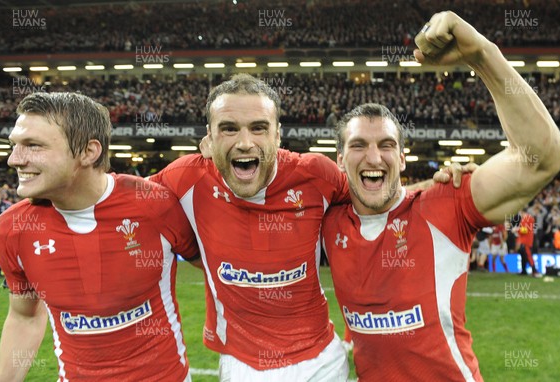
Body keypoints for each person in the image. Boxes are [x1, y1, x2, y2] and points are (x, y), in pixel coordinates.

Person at [151, 73, 471, 381]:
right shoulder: (185, 179)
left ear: (278, 135)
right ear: (208, 137)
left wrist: (441, 187)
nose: (245, 142)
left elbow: (377, 197)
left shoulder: (315, 175)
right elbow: (123, 205)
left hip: (319, 361)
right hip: (242, 363)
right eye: (229, 129)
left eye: (259, 128)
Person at [321, 11, 560, 381]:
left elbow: (544, 157)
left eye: (387, 145)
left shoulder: (446, 200)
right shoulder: (325, 216)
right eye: (359, 145)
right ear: (339, 159)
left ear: (402, 158)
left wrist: (482, 56)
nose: (373, 157)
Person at [0, 92, 199, 381]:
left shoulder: (154, 204)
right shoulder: (12, 229)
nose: (14, 159)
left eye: (33, 146)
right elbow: (23, 317)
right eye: (14, 146)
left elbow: (216, 270)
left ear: (89, 152)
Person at [515, 209, 541, 277]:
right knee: (523, 256)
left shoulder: (527, 218)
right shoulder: (527, 218)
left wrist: (517, 229)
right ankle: (524, 271)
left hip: (526, 241)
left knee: (528, 256)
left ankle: (534, 271)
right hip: (524, 240)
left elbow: (525, 230)